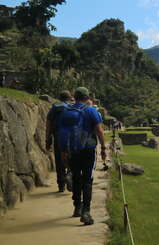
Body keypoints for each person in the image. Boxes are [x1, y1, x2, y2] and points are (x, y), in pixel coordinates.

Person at [57, 87, 106, 225]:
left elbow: (61, 133)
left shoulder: (66, 112)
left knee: (76, 178)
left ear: (76, 97)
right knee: (87, 179)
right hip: (88, 150)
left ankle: (77, 207)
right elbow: (99, 131)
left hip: (72, 150)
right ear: (87, 97)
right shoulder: (91, 111)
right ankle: (86, 211)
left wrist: (63, 152)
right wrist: (102, 148)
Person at [45, 90, 73, 192]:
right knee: (71, 159)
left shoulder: (54, 108)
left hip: (58, 137)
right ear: (69, 98)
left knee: (59, 161)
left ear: (59, 98)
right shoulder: (71, 107)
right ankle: (70, 176)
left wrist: (47, 139)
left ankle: (61, 185)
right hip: (71, 138)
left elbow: (48, 124)